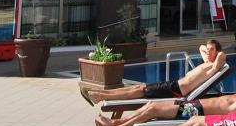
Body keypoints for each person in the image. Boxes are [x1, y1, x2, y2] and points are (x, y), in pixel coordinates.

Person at [94, 76, 236, 126]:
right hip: (193, 104)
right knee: (151, 104)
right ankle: (116, 123)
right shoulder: (235, 95)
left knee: (153, 110)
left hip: (194, 111)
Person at [81, 40, 226, 105]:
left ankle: (98, 96)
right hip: (174, 85)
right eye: (208, 49)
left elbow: (222, 55)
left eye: (211, 49)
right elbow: (201, 47)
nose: (208, 51)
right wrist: (209, 49)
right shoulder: (207, 61)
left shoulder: (213, 67)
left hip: (177, 90)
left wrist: (217, 52)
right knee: (139, 87)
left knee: (139, 91)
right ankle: (99, 94)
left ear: (217, 51)